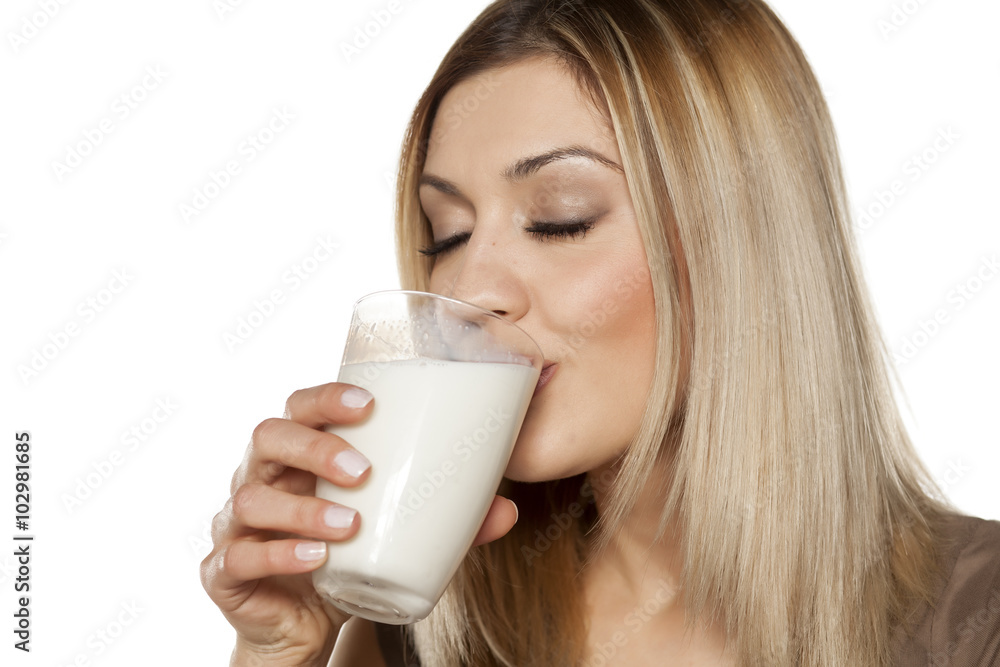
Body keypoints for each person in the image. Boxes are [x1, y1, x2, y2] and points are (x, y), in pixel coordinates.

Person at [201, 1, 1000, 665]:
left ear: (741, 247)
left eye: (560, 219)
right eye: (447, 233)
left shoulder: (976, 618)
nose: (469, 288)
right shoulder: (418, 632)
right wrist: (277, 652)